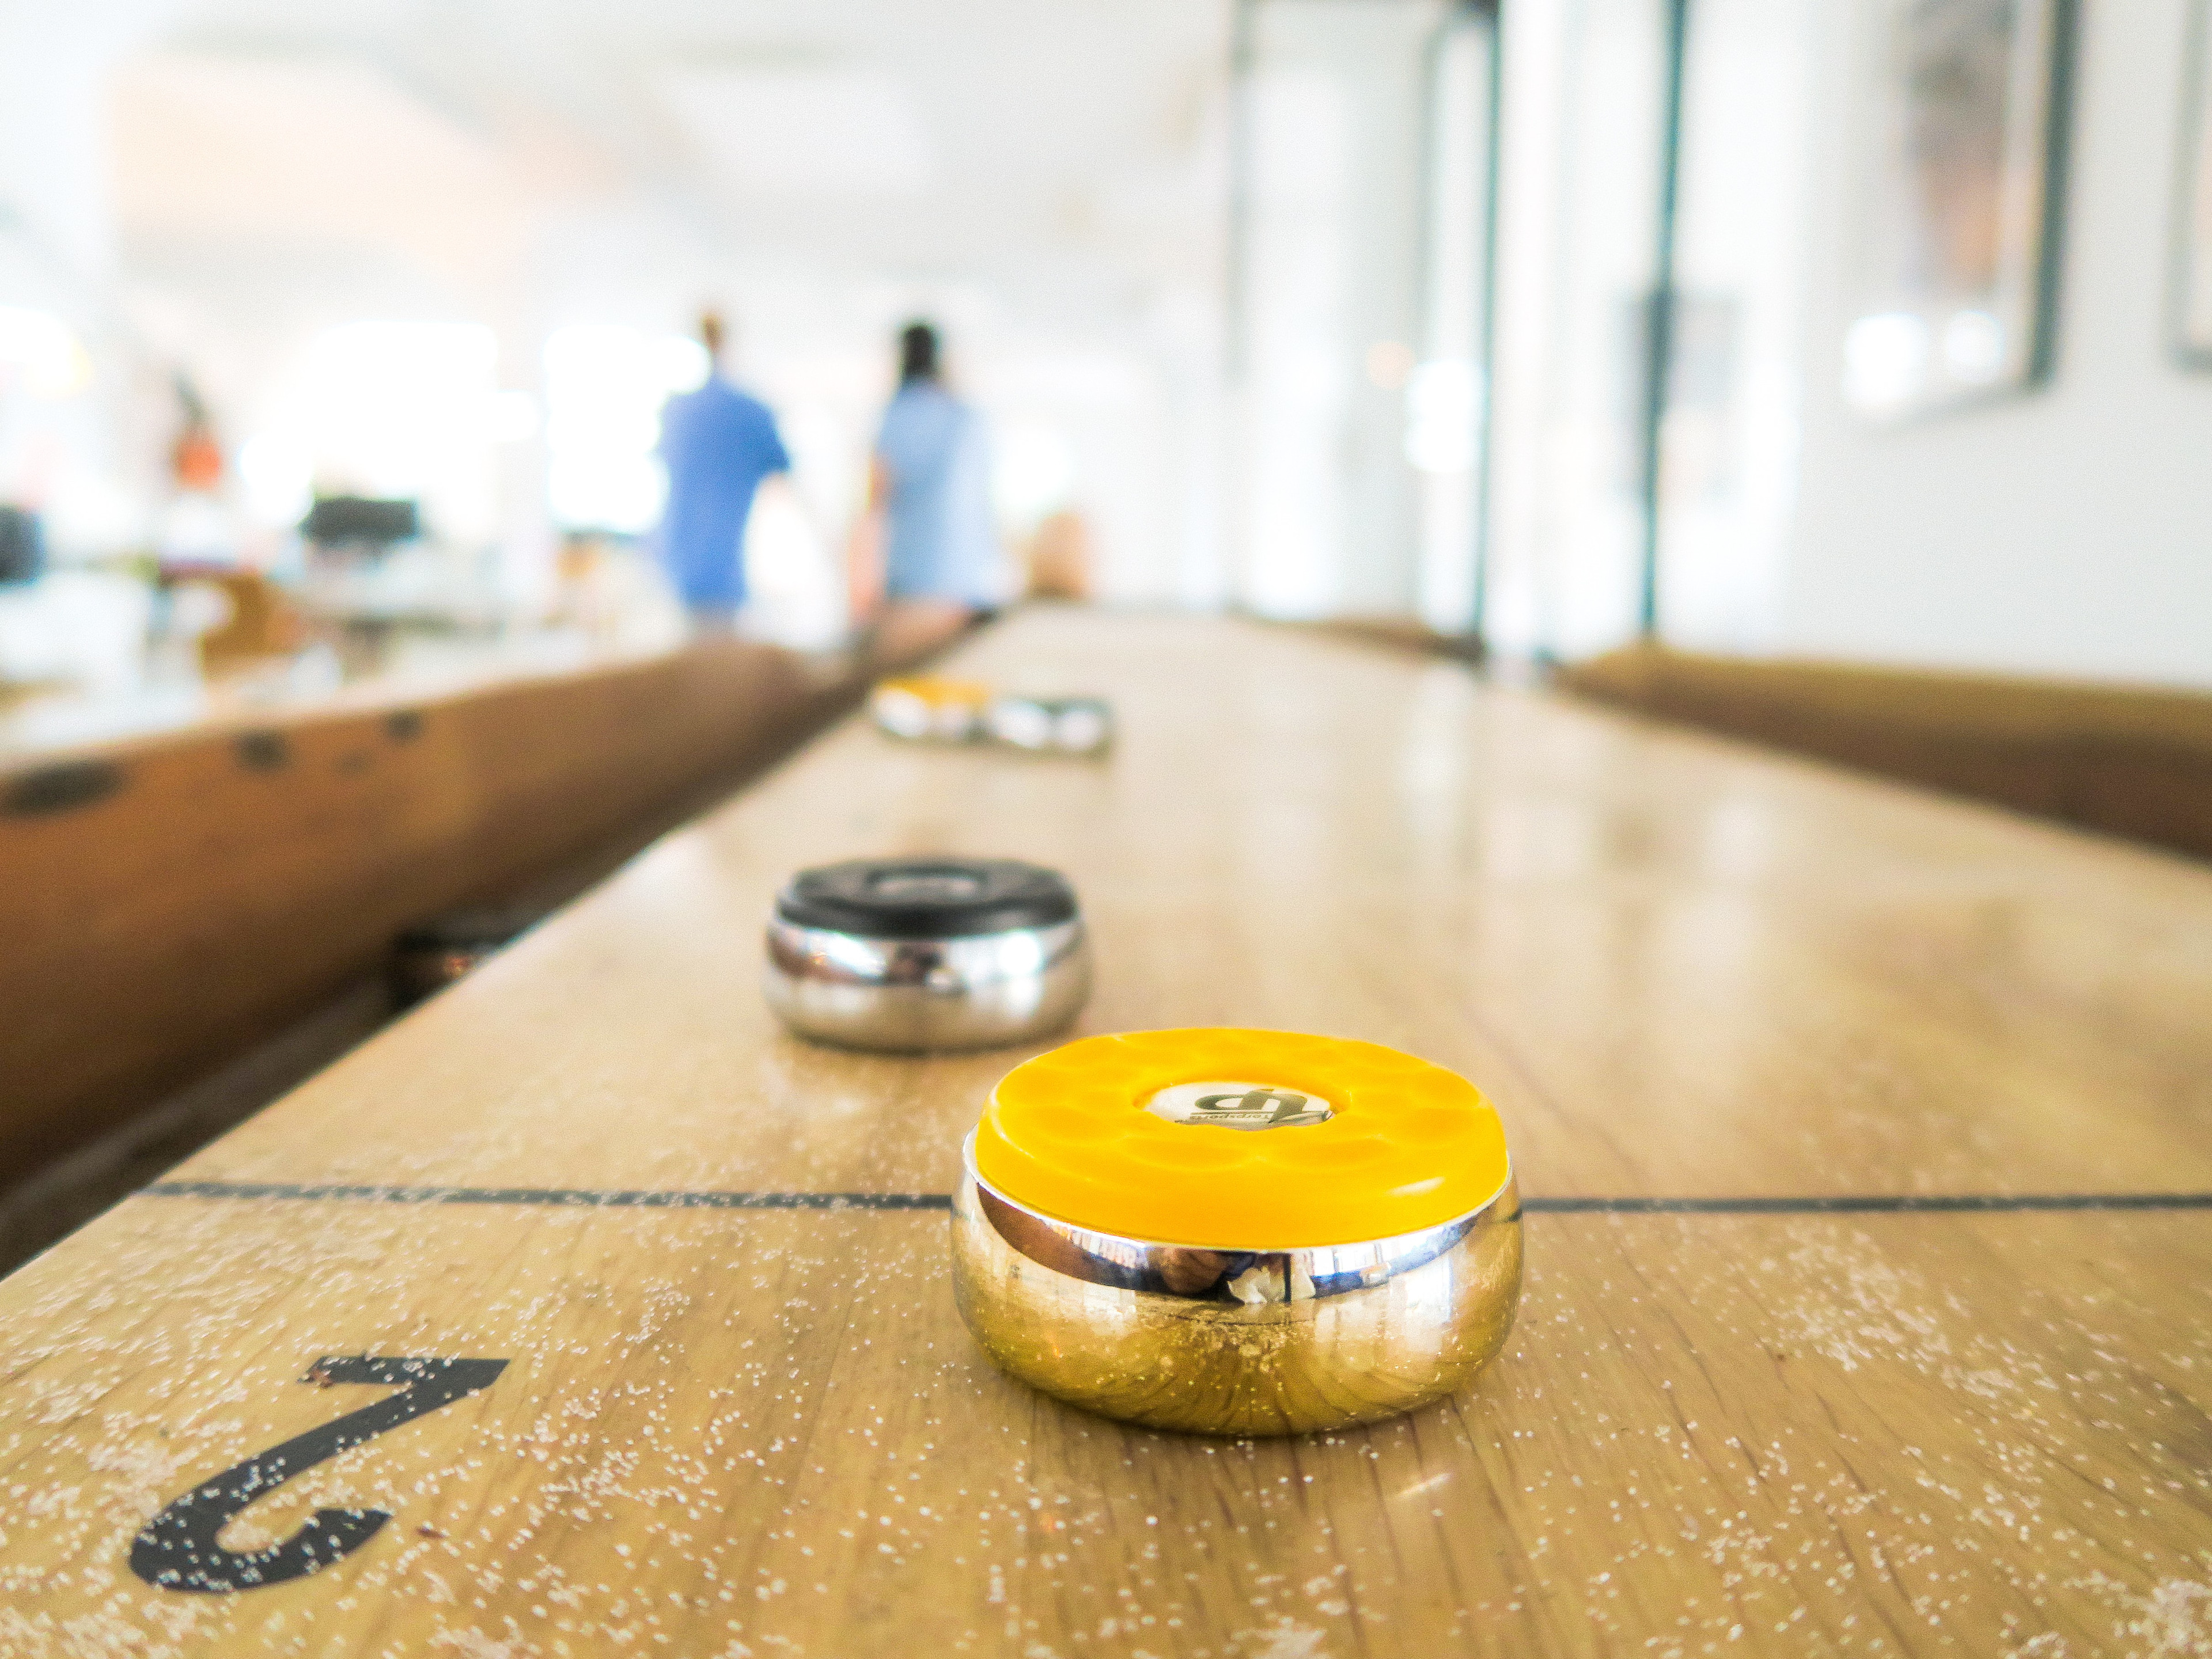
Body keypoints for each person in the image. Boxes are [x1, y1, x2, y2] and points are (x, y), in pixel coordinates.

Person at [855, 321, 1006, 663]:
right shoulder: (968, 417)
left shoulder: (896, 415)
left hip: (912, 587)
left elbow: (874, 505)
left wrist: (862, 590)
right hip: (969, 588)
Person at [656, 310, 790, 628]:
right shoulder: (750, 412)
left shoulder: (678, 413)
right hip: (723, 580)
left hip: (680, 574)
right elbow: (785, 480)